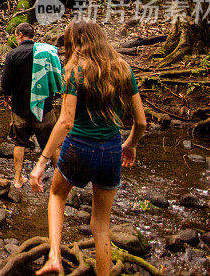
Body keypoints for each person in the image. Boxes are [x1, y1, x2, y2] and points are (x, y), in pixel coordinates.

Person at [30, 19, 148, 276]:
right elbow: (140, 122)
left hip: (78, 148)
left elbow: (65, 121)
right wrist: (130, 145)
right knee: (101, 227)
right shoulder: (123, 69)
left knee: (57, 195)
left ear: (74, 43)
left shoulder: (75, 71)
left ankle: (54, 257)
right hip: (111, 151)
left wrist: (41, 161)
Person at [0, 22, 63, 189]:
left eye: (16, 36)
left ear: (20, 35)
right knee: (52, 144)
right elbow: (56, 76)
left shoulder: (12, 55)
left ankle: (17, 180)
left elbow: (5, 84)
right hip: (44, 107)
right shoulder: (46, 53)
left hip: (20, 109)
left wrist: (7, 98)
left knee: (19, 143)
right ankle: (59, 180)